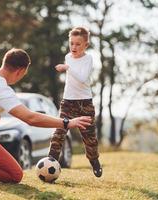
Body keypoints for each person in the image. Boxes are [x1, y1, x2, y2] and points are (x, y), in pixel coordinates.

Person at [0, 48, 92, 185]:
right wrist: (67, 123)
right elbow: (30, 118)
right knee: (14, 175)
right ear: (20, 71)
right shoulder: (2, 91)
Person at [48, 27, 102, 177]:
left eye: (78, 44)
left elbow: (83, 78)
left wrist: (67, 68)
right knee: (59, 130)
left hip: (85, 102)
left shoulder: (88, 59)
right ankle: (51, 160)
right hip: (68, 101)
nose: (74, 47)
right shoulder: (68, 57)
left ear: (86, 45)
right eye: (71, 43)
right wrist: (68, 66)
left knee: (89, 137)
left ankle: (94, 161)